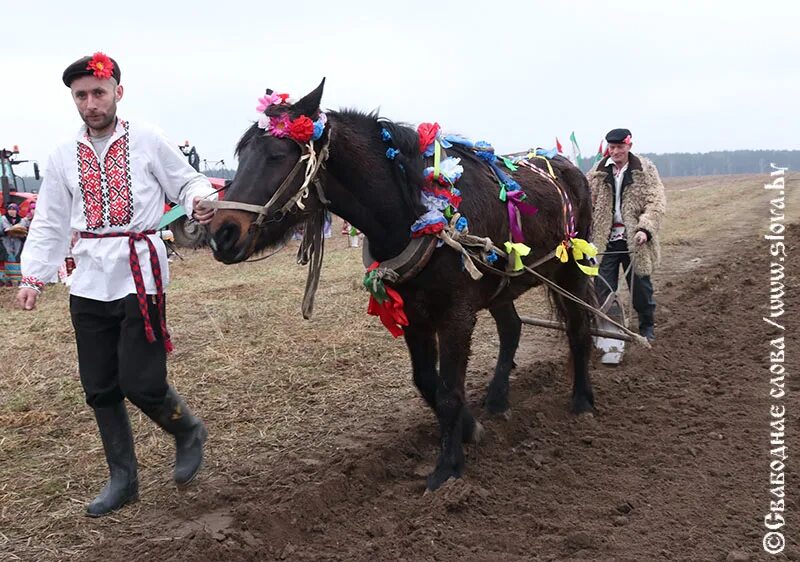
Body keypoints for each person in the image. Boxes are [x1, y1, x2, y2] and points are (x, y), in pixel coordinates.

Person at [17, 52, 217, 517]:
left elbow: (186, 181)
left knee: (142, 382)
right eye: (81, 95)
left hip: (138, 275)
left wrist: (200, 200)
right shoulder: (63, 156)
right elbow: (47, 221)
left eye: (98, 92)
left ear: (117, 93)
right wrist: (34, 276)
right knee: (99, 385)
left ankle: (186, 429)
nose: (90, 103)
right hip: (88, 279)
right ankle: (123, 480)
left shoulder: (147, 139)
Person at [588, 128, 666, 342]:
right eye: (612, 148)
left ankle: (646, 328)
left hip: (635, 240)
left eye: (620, 147)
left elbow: (656, 202)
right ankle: (609, 333)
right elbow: (587, 201)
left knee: (641, 289)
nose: (615, 152)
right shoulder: (598, 171)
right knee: (603, 289)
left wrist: (644, 228)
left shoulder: (645, 169)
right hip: (606, 241)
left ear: (629, 146)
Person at [2, 203, 26, 285]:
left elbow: (23, 231)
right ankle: (8, 280)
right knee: (8, 259)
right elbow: (4, 229)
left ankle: (18, 280)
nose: (11, 211)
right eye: (10, 209)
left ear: (17, 211)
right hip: (6, 242)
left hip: (17, 243)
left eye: (13, 210)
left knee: (17, 260)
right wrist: (9, 231)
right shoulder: (4, 218)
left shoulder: (22, 220)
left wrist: (19, 233)